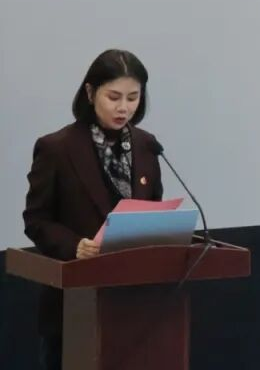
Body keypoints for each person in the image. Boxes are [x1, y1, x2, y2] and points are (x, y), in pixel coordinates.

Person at [23, 49, 164, 370]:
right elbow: (37, 219)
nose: (124, 107)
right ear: (90, 92)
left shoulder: (147, 146)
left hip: (135, 304)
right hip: (74, 305)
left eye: (133, 97)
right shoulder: (57, 148)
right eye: (114, 97)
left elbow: (153, 211)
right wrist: (75, 245)